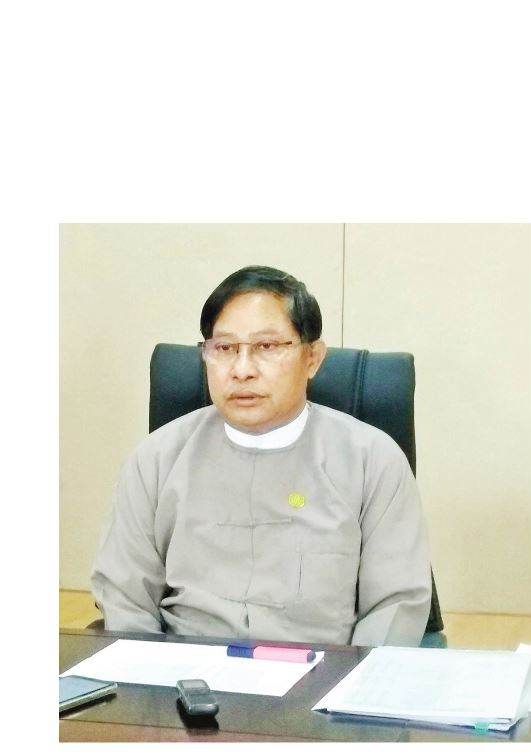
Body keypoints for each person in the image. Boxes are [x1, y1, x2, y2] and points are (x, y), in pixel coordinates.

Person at [91, 265, 432, 646]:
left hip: (322, 673)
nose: (242, 370)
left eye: (267, 347)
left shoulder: (373, 461)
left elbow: (394, 606)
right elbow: (125, 598)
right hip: (184, 672)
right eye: (224, 349)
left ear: (313, 358)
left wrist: (349, 681)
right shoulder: (155, 460)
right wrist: (150, 676)